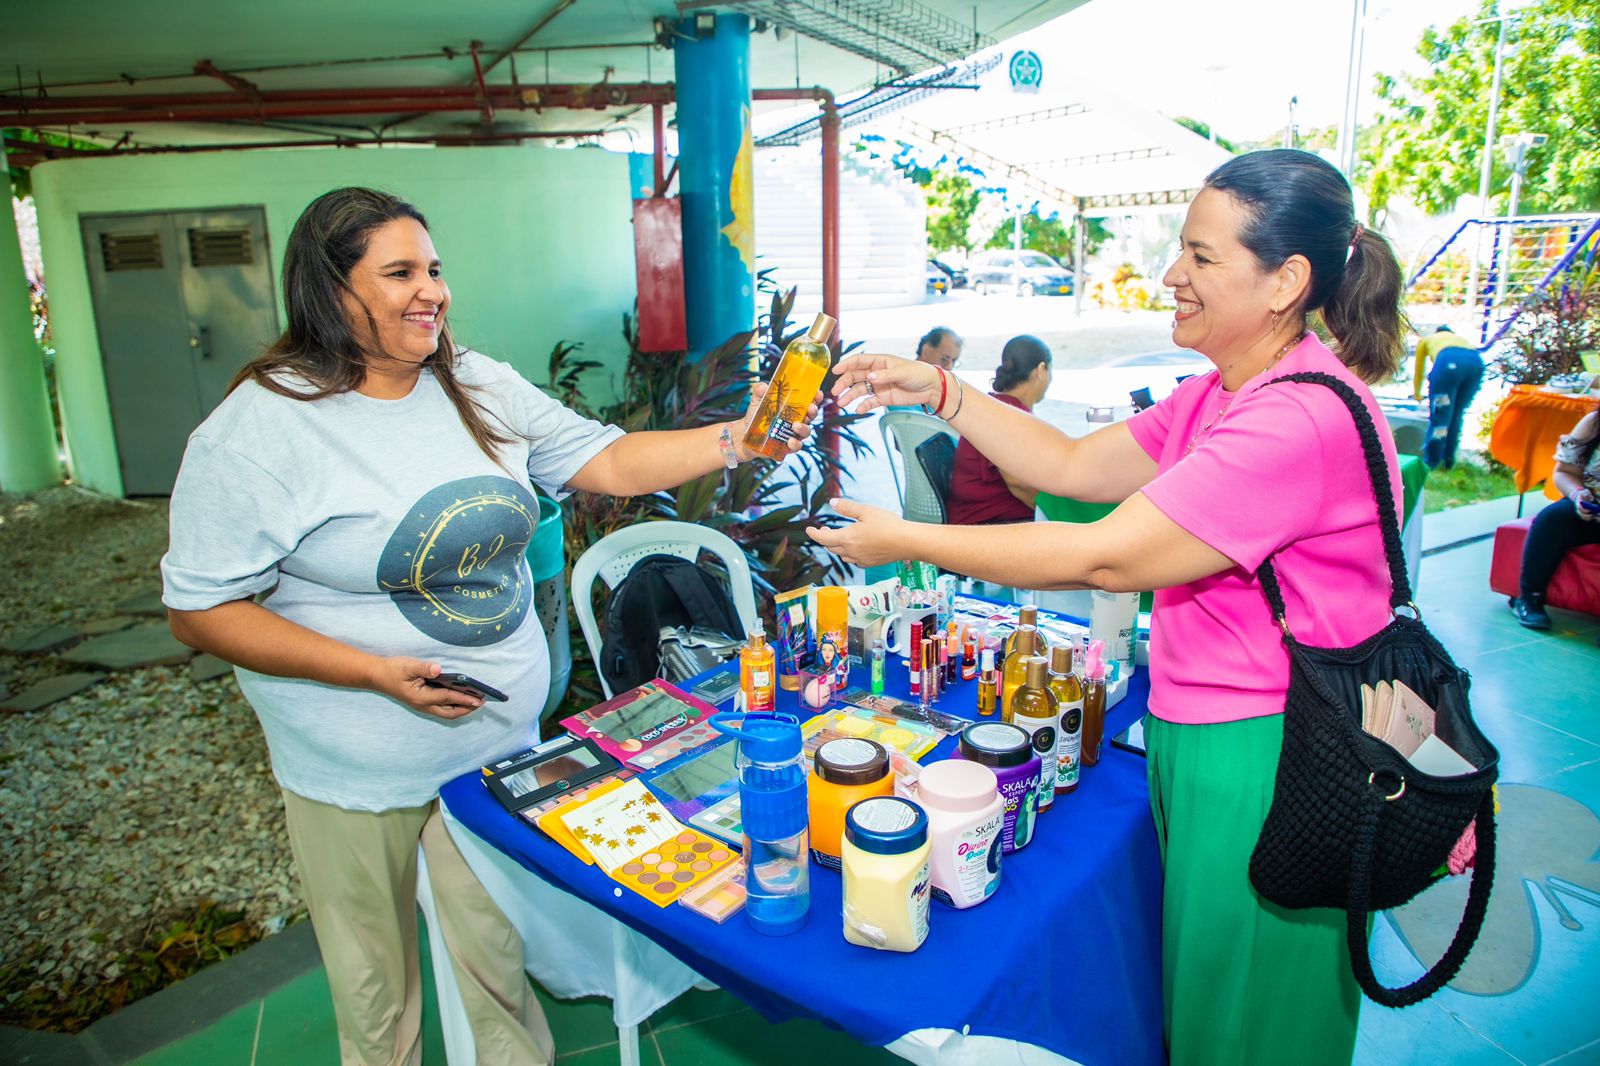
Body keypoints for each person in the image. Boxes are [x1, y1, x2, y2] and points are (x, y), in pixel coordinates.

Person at [161, 187, 812, 1066]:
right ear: (329, 289)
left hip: (491, 742)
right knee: (375, 993)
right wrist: (370, 672)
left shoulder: (473, 383)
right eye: (399, 273)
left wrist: (741, 439)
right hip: (357, 762)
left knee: (497, 962)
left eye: (434, 268)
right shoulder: (258, 432)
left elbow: (608, 457)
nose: (432, 289)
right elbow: (198, 610)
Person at [812, 149, 1405, 1066]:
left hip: (1275, 743)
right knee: (1208, 986)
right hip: (1204, 722)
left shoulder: (1296, 420)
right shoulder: (1224, 392)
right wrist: (940, 390)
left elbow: (1103, 553)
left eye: (1202, 258)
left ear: (1286, 280)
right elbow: (1075, 469)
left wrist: (910, 541)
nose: (1172, 275)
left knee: (1252, 1007)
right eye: (1181, 249)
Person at [1509, 401, 1600, 631]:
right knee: (1553, 520)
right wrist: (1578, 494)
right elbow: (1563, 473)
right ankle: (1529, 597)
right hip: (1591, 508)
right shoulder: (1594, 423)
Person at [946, 335, 1052, 525]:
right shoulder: (1007, 415)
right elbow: (1018, 483)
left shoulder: (997, 405)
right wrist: (1057, 513)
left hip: (987, 517)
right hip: (985, 525)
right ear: (1041, 370)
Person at [1413, 324, 1485, 468]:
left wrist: (1417, 394)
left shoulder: (1427, 340)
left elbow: (1419, 369)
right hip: (1476, 364)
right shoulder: (1460, 339)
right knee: (1457, 414)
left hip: (1448, 365)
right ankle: (1449, 460)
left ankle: (1432, 461)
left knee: (1441, 415)